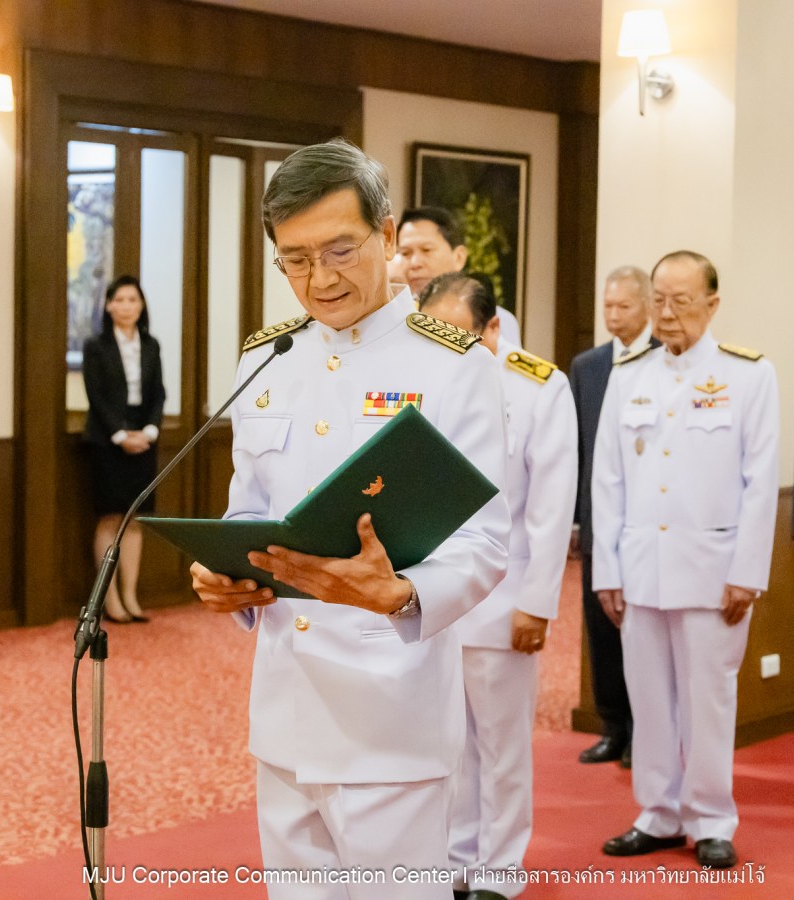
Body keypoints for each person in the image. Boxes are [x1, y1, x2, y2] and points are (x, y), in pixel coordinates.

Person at [188, 138, 510, 900]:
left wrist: (400, 594)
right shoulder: (267, 361)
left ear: (388, 234)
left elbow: (486, 542)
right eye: (294, 260)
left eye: (340, 249)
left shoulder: (452, 364)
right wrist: (224, 576)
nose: (319, 279)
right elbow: (249, 512)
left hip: (388, 713)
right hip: (284, 708)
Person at [593, 251, 778, 869]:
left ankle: (710, 817)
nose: (667, 315)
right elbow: (608, 481)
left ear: (712, 304)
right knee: (648, 698)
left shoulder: (748, 376)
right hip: (641, 567)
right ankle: (658, 812)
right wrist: (607, 570)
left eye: (682, 302)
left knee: (708, 699)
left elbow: (760, 481)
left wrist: (747, 572)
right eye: (660, 302)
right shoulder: (629, 373)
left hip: (713, 569)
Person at [418, 272, 576, 900]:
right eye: (434, 334)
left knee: (502, 745)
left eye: (459, 334)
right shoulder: (420, 377)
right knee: (446, 741)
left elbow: (549, 505)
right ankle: (455, 859)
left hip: (503, 598)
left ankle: (499, 868)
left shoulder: (538, 387)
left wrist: (537, 603)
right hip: (430, 599)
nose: (446, 346)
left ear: (492, 328)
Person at [568, 266, 658, 767]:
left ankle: (648, 731)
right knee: (600, 625)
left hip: (646, 518)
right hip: (599, 520)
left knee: (642, 631)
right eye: (608, 306)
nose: (613, 315)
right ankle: (613, 727)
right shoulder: (588, 366)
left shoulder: (664, 359)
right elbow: (580, 449)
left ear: (646, 306)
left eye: (623, 306)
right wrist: (578, 521)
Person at [82, 274, 166, 624]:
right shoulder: (96, 346)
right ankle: (108, 598)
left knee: (135, 519)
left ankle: (131, 595)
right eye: (119, 300)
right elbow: (96, 396)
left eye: (133, 300)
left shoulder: (151, 345)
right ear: (108, 306)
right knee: (110, 517)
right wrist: (120, 434)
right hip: (106, 439)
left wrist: (148, 430)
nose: (126, 306)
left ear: (141, 305)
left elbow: (158, 393)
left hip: (143, 436)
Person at [397, 206, 521, 344]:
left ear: (459, 257)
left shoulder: (496, 320)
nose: (415, 263)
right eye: (405, 253)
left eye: (426, 250)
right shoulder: (394, 317)